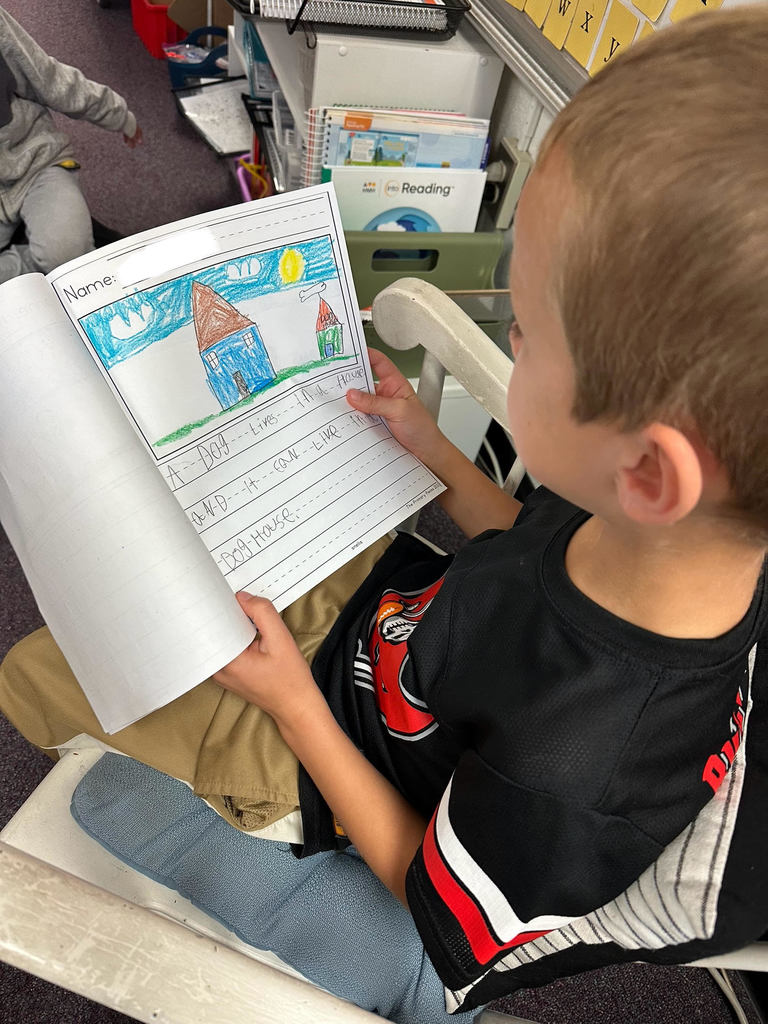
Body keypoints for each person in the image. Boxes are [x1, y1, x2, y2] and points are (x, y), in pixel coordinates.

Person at [3, 6, 768, 1021]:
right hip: (389, 627)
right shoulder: (662, 537)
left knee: (36, 677)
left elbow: (423, 878)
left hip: (329, 757)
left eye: (526, 331)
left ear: (651, 473)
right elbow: (521, 545)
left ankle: (372, 970)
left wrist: (292, 702)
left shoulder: (583, 768)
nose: (508, 320)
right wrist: (435, 449)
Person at [0, 6, 142, 285]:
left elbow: (46, 77)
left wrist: (117, 114)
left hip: (35, 162)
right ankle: (39, 269)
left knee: (66, 256)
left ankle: (65, 257)